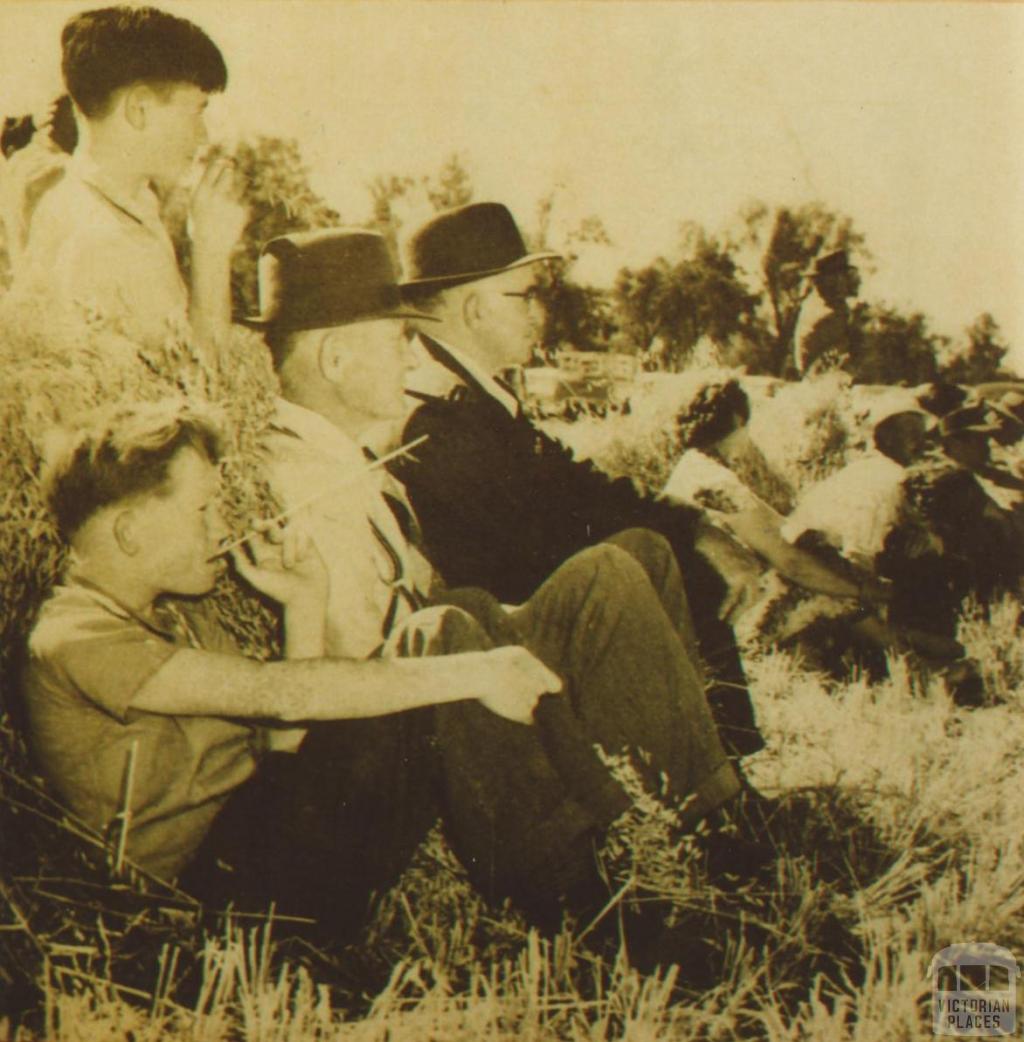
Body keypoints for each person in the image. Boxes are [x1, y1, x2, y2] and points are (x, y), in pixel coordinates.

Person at [247, 228, 757, 921]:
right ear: (336, 356)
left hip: (431, 682)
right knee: (467, 619)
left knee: (605, 572)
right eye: (397, 336)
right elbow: (359, 654)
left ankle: (709, 811)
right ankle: (590, 880)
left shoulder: (343, 458)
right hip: (390, 729)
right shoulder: (297, 476)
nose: (410, 353)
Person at [394, 202, 763, 758]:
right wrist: (678, 541)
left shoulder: (472, 392)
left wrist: (697, 525)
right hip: (500, 640)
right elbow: (524, 545)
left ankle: (720, 769)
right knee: (653, 554)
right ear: (473, 308)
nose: (538, 315)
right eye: (525, 296)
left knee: (667, 547)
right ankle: (712, 781)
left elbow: (575, 486)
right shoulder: (436, 409)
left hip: (519, 615)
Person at [10, 6, 246, 361]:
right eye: (196, 112)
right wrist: (210, 251)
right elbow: (201, 389)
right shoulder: (101, 241)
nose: (203, 136)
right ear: (140, 109)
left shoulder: (115, 201)